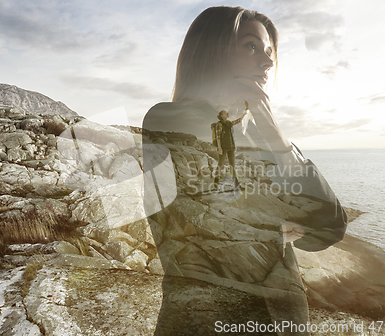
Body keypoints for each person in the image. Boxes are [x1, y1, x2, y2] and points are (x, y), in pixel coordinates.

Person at [142, 6, 347, 336]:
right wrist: (278, 223)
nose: (267, 63)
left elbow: (330, 227)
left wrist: (274, 132)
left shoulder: (263, 137)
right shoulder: (168, 120)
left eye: (269, 53)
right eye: (251, 46)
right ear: (212, 50)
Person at [214, 105, 248, 188]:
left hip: (231, 148)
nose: (227, 113)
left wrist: (244, 113)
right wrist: (220, 148)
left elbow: (239, 121)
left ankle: (236, 184)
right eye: (225, 113)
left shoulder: (229, 123)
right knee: (220, 164)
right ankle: (216, 182)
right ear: (221, 115)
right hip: (223, 148)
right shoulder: (219, 125)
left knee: (232, 165)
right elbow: (218, 137)